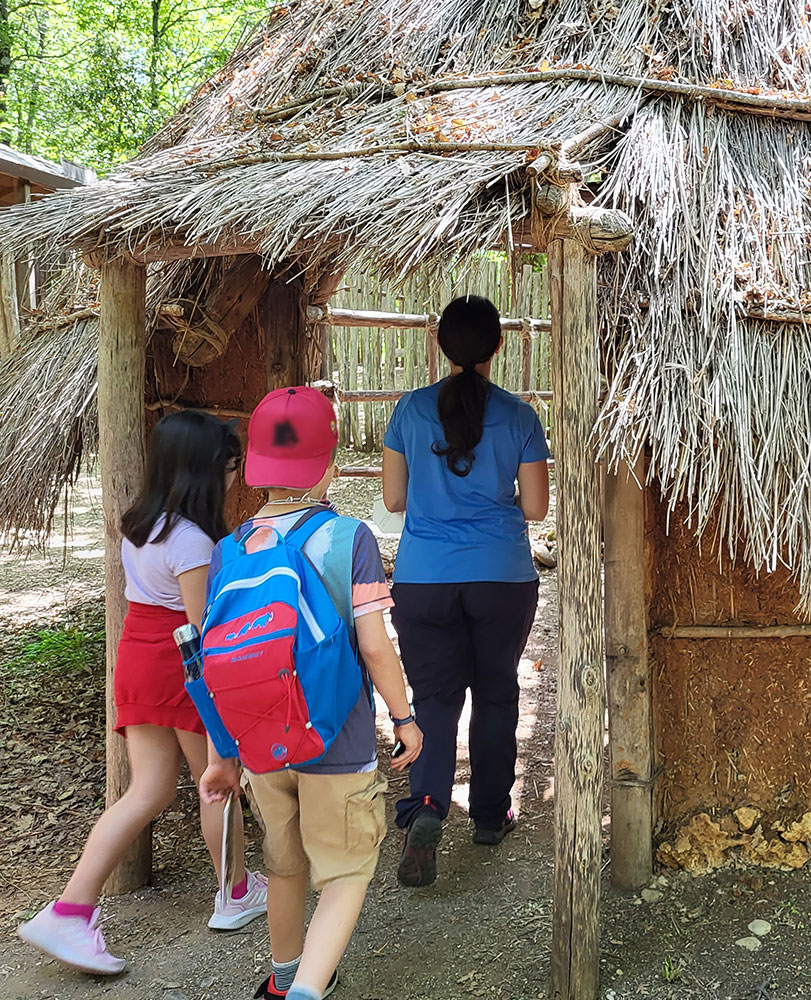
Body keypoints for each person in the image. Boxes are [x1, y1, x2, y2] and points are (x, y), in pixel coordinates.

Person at [17, 411, 266, 976]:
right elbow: (206, 629)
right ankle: (235, 892)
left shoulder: (141, 524)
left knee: (146, 792)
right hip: (184, 669)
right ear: (206, 471)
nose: (236, 477)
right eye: (232, 467)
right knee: (217, 785)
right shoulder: (195, 540)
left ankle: (70, 909)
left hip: (137, 656)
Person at [198, 386, 423, 1000]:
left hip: (263, 744)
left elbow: (213, 655)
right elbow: (375, 647)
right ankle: (306, 994)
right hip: (337, 740)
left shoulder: (228, 549)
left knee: (286, 863)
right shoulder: (349, 540)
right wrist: (405, 718)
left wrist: (225, 753)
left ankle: (284, 978)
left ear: (254, 468)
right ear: (328, 466)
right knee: (348, 870)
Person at [381, 295, 549, 887]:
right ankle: (487, 814)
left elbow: (394, 501)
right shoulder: (521, 417)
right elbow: (535, 506)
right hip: (501, 576)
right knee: (497, 693)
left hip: (423, 578)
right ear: (499, 345)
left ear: (440, 344)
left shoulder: (409, 410)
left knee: (434, 697)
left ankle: (425, 806)